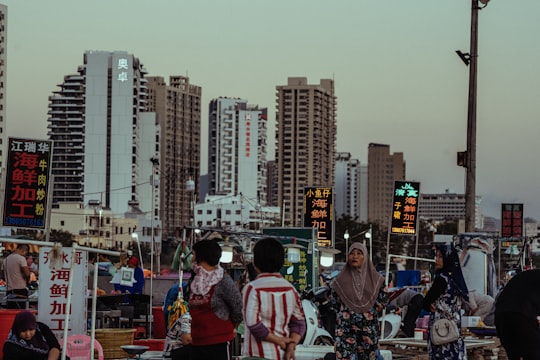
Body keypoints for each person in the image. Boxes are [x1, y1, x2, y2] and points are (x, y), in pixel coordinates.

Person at [242, 237, 306, 360]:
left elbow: (253, 324)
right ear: (281, 262)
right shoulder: (290, 289)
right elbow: (299, 323)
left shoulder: (252, 288)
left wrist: (279, 341)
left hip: (256, 355)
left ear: (255, 263)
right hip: (282, 356)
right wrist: (291, 345)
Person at [330, 242, 387, 360]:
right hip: (346, 329)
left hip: (369, 329)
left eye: (359, 253)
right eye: (352, 253)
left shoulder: (377, 280)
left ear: (365, 257)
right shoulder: (339, 281)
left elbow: (383, 300)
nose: (355, 256)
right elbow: (334, 303)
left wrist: (368, 312)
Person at [188, 239, 243, 360]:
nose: (192, 259)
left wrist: (230, 327)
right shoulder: (195, 281)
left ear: (201, 257)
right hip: (197, 341)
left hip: (218, 343)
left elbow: (238, 307)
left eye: (194, 254)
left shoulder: (223, 280)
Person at [422, 243, 469, 360]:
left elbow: (426, 301)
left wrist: (429, 305)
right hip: (454, 329)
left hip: (441, 331)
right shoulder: (456, 280)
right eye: (436, 256)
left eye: (440, 256)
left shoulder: (441, 280)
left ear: (448, 259)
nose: (436, 259)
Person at [495, 269, 540, 360]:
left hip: (501, 314)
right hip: (520, 315)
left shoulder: (528, 276)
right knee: (534, 354)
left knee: (514, 353)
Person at [4, 244, 30, 308]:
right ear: (24, 250)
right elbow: (27, 274)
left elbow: (2, 275)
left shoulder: (6, 260)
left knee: (11, 312)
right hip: (20, 290)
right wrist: (27, 281)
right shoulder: (21, 258)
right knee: (21, 312)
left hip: (9, 290)